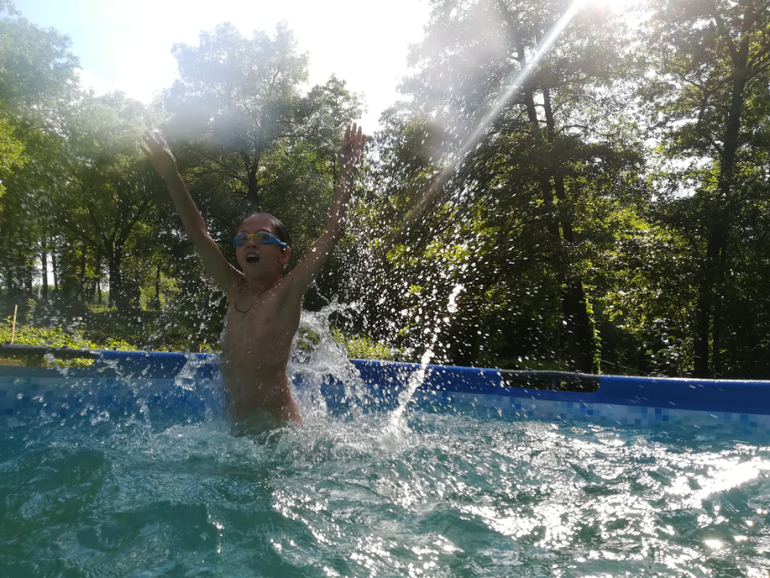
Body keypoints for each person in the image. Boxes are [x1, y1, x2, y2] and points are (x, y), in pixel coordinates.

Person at [142, 124, 365, 426]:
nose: (250, 243)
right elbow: (198, 233)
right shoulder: (234, 288)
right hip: (235, 426)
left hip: (278, 429)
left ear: (284, 254)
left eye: (262, 237)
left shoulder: (287, 292)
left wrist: (347, 172)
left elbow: (332, 232)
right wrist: (172, 176)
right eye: (242, 238)